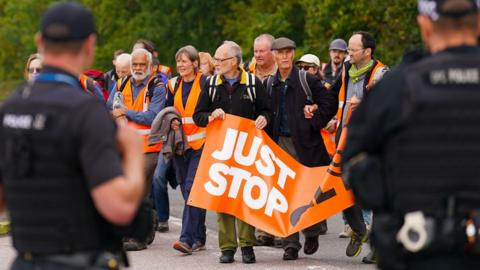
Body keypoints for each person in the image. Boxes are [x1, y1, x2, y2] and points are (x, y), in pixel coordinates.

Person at [0, 3, 145, 269]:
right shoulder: (87, 112)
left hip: (26, 260)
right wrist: (134, 153)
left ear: (40, 42)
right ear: (90, 45)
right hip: (78, 259)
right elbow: (118, 208)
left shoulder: (10, 108)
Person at [343, 1, 480, 269]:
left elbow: (354, 161)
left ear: (425, 26)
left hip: (415, 247)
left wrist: (392, 202)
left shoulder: (397, 87)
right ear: (478, 23)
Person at [193, 40, 271, 264]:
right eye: (215, 59)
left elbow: (267, 109)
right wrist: (210, 116)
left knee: (245, 197)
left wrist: (264, 118)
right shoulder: (210, 84)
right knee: (223, 198)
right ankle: (227, 247)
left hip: (246, 150)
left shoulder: (253, 84)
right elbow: (198, 116)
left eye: (221, 59)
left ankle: (247, 245)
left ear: (235, 61)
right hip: (220, 152)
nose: (216, 63)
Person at [266, 38, 338, 261]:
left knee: (308, 193)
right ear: (274, 56)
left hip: (307, 145)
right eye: (281, 53)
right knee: (285, 194)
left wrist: (314, 122)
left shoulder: (307, 79)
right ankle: (290, 243)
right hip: (281, 143)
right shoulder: (269, 84)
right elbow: (263, 110)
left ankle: (313, 232)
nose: (285, 57)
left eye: (289, 52)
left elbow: (330, 102)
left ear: (293, 55)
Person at [334, 31, 388, 261]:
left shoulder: (382, 73)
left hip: (372, 138)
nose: (348, 53)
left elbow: (388, 106)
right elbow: (334, 97)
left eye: (352, 50)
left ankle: (379, 248)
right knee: (341, 185)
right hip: (345, 136)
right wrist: (321, 113)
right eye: (348, 49)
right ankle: (358, 230)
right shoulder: (346, 69)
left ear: (367, 52)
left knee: (376, 190)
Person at [109, 48, 166, 251]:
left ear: (150, 66)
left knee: (137, 189)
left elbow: (152, 117)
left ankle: (137, 237)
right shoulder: (121, 83)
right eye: (135, 65)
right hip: (125, 148)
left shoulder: (157, 87)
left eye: (142, 64)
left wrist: (126, 112)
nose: (138, 68)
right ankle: (145, 229)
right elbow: (110, 109)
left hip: (148, 147)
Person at [164, 45, 208, 255]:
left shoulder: (206, 83)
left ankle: (187, 240)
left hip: (201, 145)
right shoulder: (173, 85)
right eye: (178, 61)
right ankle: (199, 235)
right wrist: (172, 120)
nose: (180, 65)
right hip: (180, 146)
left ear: (194, 63)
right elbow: (168, 110)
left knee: (191, 189)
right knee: (187, 190)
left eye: (184, 61)